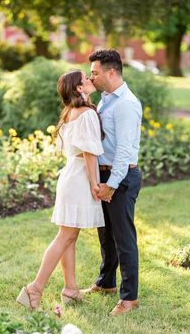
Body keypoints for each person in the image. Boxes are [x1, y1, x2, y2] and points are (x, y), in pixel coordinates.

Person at [16, 69, 105, 310]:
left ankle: (70, 289)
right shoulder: (85, 114)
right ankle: (34, 289)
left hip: (70, 176)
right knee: (65, 236)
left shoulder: (69, 113)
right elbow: (88, 152)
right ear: (79, 88)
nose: (90, 79)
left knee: (70, 236)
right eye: (85, 79)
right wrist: (94, 184)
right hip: (78, 178)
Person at [83, 49, 142, 316]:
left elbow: (124, 151)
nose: (90, 76)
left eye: (94, 72)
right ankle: (106, 282)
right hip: (105, 175)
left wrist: (112, 184)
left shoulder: (126, 103)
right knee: (105, 234)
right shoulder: (106, 99)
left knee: (123, 237)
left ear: (111, 72)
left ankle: (129, 298)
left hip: (121, 177)